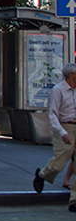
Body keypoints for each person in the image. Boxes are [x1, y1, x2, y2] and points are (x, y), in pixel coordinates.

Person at [33, 63, 76, 212]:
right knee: (59, 162)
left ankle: (74, 200)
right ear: (72, 75)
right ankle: (42, 174)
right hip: (65, 127)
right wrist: (62, 132)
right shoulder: (58, 90)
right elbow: (52, 114)